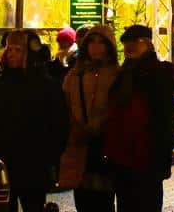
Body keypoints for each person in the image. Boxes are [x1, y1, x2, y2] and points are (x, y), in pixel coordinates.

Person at [0, 29, 69, 212]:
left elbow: (58, 123)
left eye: (18, 50)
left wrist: (50, 154)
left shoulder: (46, 86)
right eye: (9, 49)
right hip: (5, 159)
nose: (11, 54)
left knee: (33, 204)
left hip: (34, 161)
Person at [103, 25, 174, 212]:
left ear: (148, 44)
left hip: (147, 156)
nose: (130, 47)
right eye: (127, 43)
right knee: (125, 204)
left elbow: (166, 119)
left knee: (146, 203)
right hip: (122, 156)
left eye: (135, 42)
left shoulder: (159, 73)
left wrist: (163, 157)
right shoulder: (121, 74)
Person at [60, 25, 120, 212]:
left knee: (104, 200)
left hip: (107, 146)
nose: (96, 47)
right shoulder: (74, 76)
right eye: (91, 42)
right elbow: (65, 108)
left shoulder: (117, 75)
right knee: (83, 200)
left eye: (101, 42)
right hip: (80, 146)